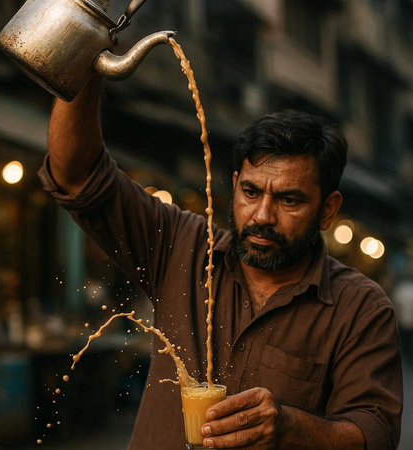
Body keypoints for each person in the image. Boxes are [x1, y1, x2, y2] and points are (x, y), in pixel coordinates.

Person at [39, 77, 403, 450]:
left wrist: (290, 427)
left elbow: (376, 434)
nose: (262, 215)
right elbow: (77, 175)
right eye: (250, 191)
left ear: (328, 209)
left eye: (289, 200)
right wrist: (87, 58)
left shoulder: (361, 308)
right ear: (234, 184)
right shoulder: (182, 245)